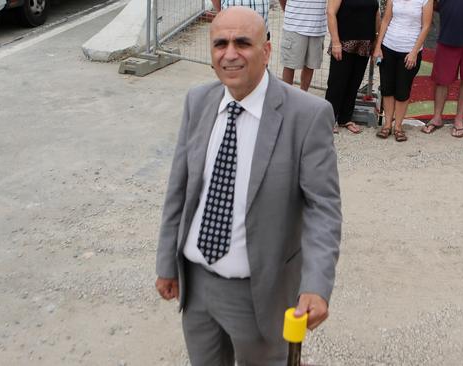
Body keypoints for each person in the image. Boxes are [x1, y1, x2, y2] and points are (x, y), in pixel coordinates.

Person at [155, 7, 342, 365]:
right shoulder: (198, 101)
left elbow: (324, 209)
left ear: (267, 51)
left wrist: (316, 286)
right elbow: (178, 189)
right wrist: (167, 262)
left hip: (260, 293)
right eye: (220, 44)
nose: (230, 54)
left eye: (243, 43)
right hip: (195, 286)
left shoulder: (307, 115)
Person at [421, 0, 463, 138]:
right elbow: (432, 4)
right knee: (441, 81)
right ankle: (437, 117)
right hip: (447, 37)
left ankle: (459, 119)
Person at [373, 0, 433, 142]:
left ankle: (398, 126)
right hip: (389, 46)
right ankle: (387, 124)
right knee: (387, 88)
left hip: (409, 50)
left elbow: (426, 26)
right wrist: (378, 46)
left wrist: (414, 52)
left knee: (402, 90)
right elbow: (386, 20)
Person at [325, 0, 381, 134]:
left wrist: (376, 40)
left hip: (364, 43)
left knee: (354, 83)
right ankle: (328, 120)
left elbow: (376, 14)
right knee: (337, 83)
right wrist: (335, 41)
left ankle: (345, 118)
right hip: (343, 42)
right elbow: (330, 13)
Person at [278, 0, 327, 91]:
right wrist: (289, 11)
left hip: (317, 27)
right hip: (294, 26)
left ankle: (303, 95)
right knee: (290, 65)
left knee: (310, 65)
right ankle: (286, 97)